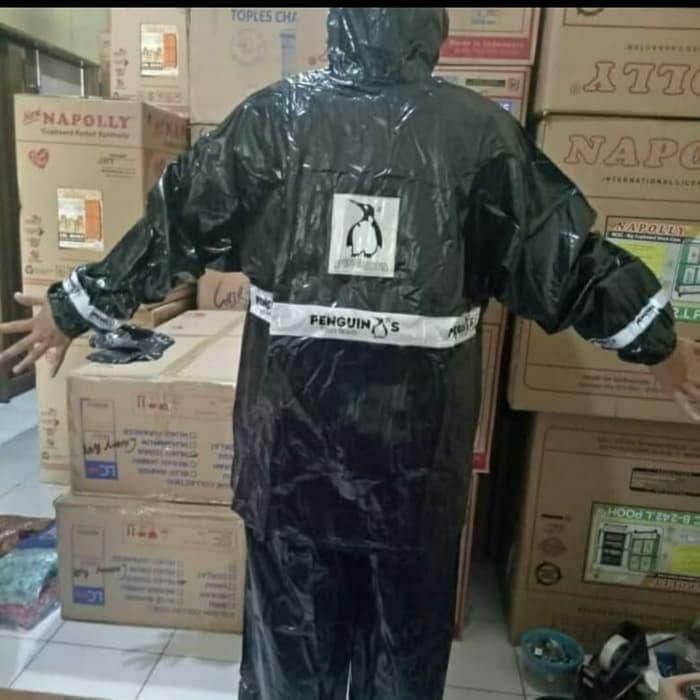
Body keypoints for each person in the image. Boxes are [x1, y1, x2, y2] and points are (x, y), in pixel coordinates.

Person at [1, 7, 698, 699]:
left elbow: (174, 225)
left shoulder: (275, 120)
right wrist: (660, 346)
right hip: (414, 463)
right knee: (403, 651)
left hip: (291, 457)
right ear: (432, 26)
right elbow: (567, 259)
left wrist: (73, 307)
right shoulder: (477, 134)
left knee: (291, 646)